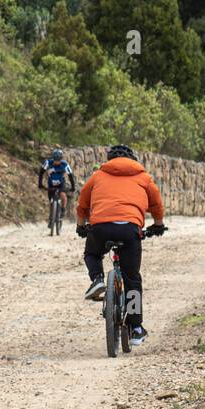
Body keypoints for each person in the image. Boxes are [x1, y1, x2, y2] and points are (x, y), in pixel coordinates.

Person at [75, 144, 165, 346]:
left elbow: (82, 204)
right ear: (133, 159)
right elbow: (157, 204)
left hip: (101, 227)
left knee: (92, 253)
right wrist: (158, 225)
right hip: (130, 228)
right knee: (132, 278)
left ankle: (97, 279)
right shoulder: (143, 177)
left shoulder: (98, 175)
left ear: (108, 159)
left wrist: (81, 227)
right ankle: (136, 329)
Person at [39, 148, 76, 220]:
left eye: (58, 160)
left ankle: (63, 209)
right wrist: (40, 184)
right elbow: (41, 173)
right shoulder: (48, 163)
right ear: (53, 158)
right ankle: (51, 216)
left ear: (61, 159)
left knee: (63, 195)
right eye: (55, 160)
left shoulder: (64, 164)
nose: (57, 162)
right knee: (51, 201)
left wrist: (73, 187)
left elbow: (70, 175)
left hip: (61, 184)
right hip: (51, 184)